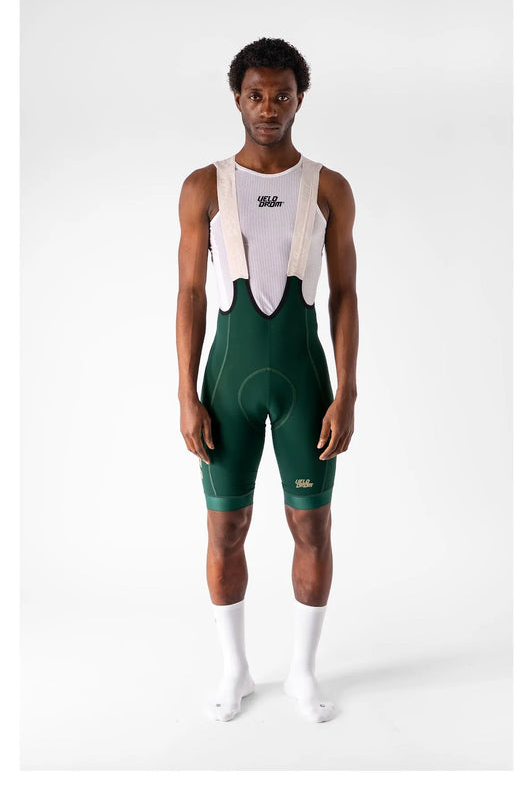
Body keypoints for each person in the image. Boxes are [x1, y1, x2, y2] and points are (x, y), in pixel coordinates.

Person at [176, 37, 358, 723]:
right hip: (227, 382)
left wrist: (347, 390)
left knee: (311, 524)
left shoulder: (328, 187)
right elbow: (190, 294)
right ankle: (236, 670)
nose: (268, 107)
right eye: (256, 94)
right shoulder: (204, 186)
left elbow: (345, 294)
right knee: (226, 528)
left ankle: (303, 674)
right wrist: (186, 393)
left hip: (305, 383)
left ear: (299, 99)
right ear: (237, 99)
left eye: (282, 95)